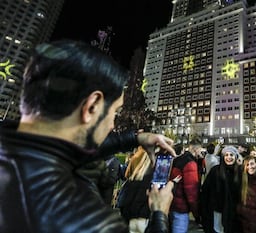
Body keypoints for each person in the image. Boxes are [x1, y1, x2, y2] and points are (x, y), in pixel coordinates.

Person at [0, 40, 176, 233]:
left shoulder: (16, 151)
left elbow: (63, 149)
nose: (111, 124)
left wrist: (135, 138)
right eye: (114, 112)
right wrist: (159, 214)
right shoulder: (87, 218)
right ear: (92, 106)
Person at [201, 145, 242, 233]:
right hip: (218, 211)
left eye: (231, 155)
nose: (229, 157)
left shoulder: (239, 172)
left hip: (233, 213)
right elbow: (205, 190)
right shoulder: (215, 171)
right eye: (226, 155)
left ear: (235, 157)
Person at [117, 146, 153, 233]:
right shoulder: (153, 180)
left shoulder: (133, 178)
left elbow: (124, 202)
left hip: (130, 218)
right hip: (144, 219)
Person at [169, 144, 200, 233]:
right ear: (196, 149)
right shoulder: (190, 163)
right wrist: (196, 213)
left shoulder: (177, 160)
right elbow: (191, 192)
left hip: (171, 203)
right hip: (182, 207)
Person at [237, 155, 256, 233]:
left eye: (252, 164)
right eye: (247, 165)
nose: (250, 167)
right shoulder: (242, 180)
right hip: (244, 221)